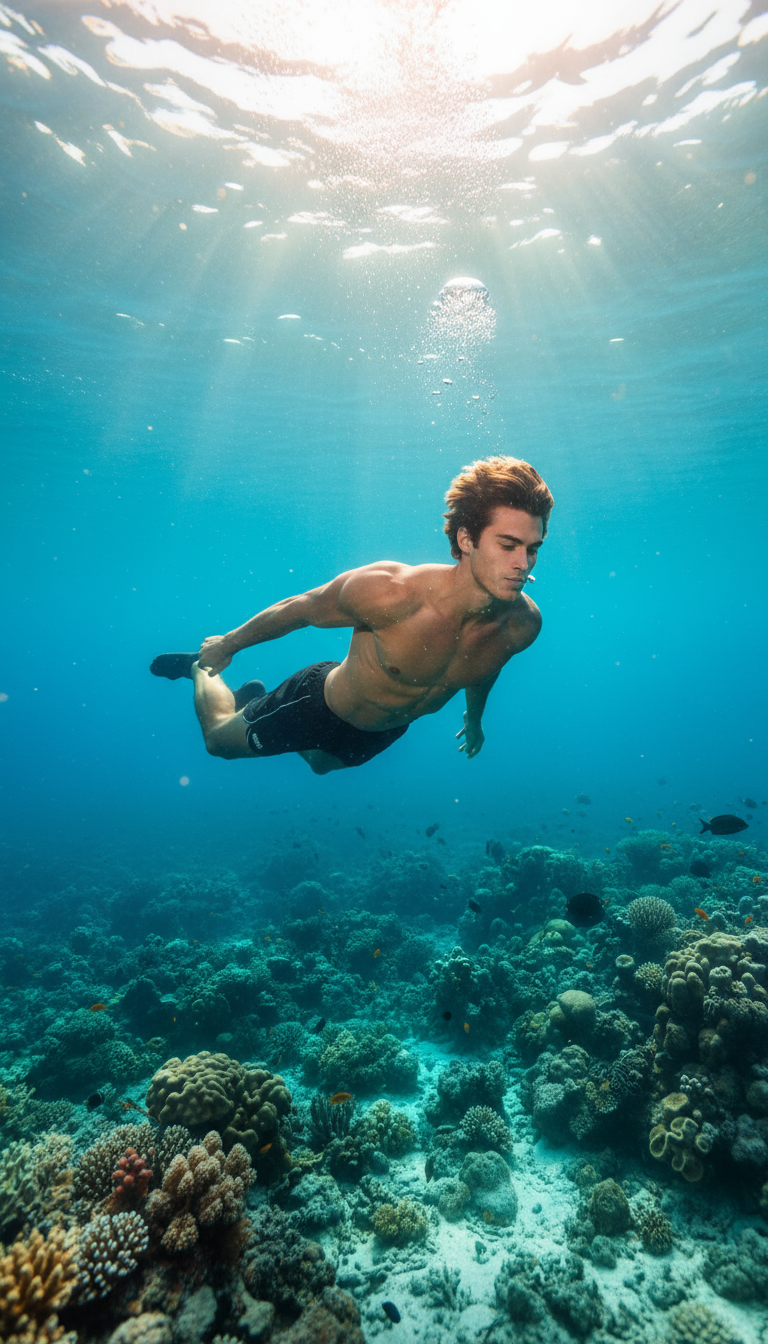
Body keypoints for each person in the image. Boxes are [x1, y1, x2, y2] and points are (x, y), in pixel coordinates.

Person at [150, 455, 553, 774]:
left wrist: (475, 718)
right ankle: (199, 671)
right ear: (467, 539)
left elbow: (483, 667)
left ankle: (255, 700)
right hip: (318, 706)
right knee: (218, 743)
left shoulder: (521, 626)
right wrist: (228, 644)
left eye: (532, 548)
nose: (524, 563)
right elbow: (302, 608)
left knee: (321, 768)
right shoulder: (391, 592)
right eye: (508, 545)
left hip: (386, 729)